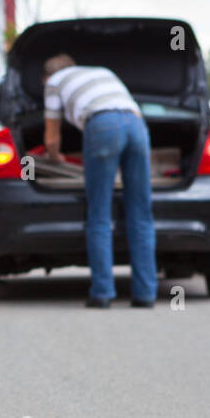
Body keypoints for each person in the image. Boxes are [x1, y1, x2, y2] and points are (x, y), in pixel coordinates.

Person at [42, 54, 157, 308]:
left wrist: (54, 158)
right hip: (137, 125)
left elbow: (51, 138)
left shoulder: (54, 82)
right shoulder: (102, 71)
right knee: (140, 212)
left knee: (100, 213)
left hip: (103, 126)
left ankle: (103, 292)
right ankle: (146, 294)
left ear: (47, 75)